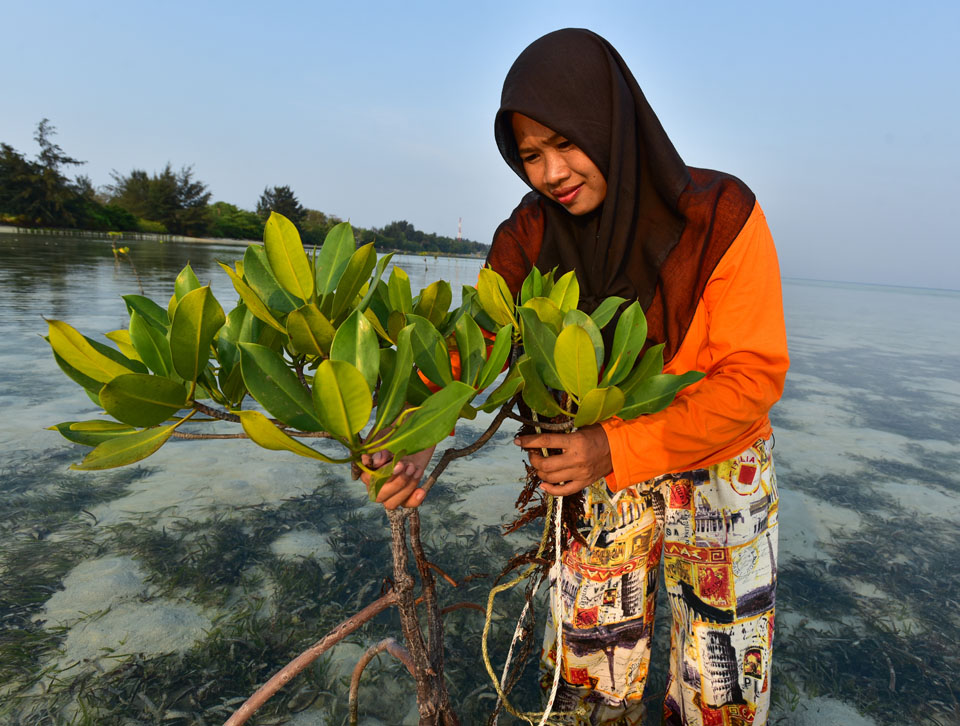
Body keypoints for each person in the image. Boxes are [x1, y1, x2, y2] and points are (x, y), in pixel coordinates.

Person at [364, 28, 788, 726]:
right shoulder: (527, 236)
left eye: (565, 144)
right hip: (591, 477)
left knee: (722, 694)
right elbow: (479, 347)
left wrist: (616, 449)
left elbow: (751, 380)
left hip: (720, 476)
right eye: (530, 156)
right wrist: (415, 429)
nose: (550, 173)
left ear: (610, 123)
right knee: (589, 688)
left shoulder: (720, 216)